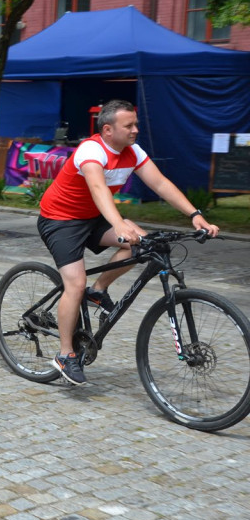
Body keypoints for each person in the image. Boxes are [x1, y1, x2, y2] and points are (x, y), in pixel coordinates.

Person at [37, 99, 218, 385]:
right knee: (74, 283)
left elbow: (160, 183)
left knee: (143, 246)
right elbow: (98, 189)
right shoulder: (91, 150)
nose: (135, 130)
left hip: (94, 216)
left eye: (136, 124)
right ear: (108, 129)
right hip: (61, 220)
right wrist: (120, 223)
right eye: (129, 125)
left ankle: (97, 291)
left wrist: (194, 215)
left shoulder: (132, 152)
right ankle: (65, 354)